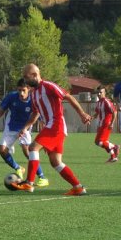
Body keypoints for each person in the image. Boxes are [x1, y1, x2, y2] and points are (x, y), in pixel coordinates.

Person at [11, 63, 91, 196]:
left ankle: (29, 183)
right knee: (56, 162)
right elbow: (35, 113)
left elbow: (68, 96)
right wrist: (25, 128)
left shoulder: (48, 86)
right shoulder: (33, 93)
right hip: (50, 126)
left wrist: (82, 114)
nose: (24, 80)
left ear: (35, 75)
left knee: (33, 148)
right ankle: (78, 187)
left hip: (56, 125)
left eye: (26, 77)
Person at [0, 78, 48, 186]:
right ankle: (18, 168)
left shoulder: (34, 100)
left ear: (29, 89)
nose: (21, 93)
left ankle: (42, 177)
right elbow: (1, 111)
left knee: (28, 151)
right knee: (2, 150)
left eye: (23, 90)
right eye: (19, 90)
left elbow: (39, 118)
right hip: (11, 126)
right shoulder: (11, 97)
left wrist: (43, 136)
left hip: (25, 127)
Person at [92, 85, 119, 163]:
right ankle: (114, 150)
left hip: (107, 124)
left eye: (101, 92)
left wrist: (112, 123)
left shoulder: (106, 102)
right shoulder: (98, 102)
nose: (99, 94)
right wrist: (90, 118)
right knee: (98, 142)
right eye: (98, 92)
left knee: (100, 142)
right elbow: (97, 113)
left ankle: (114, 152)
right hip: (101, 124)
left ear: (104, 93)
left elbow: (114, 112)